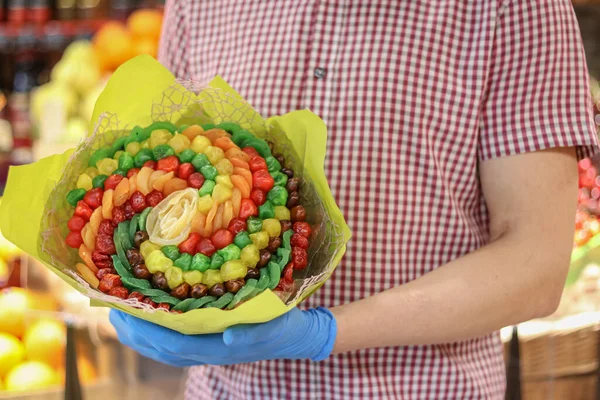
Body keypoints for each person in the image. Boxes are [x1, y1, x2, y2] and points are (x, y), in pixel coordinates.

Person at [109, 1, 600, 398]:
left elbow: (535, 263)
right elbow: (166, 174)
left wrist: (326, 332)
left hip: (426, 390)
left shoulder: (515, 9)